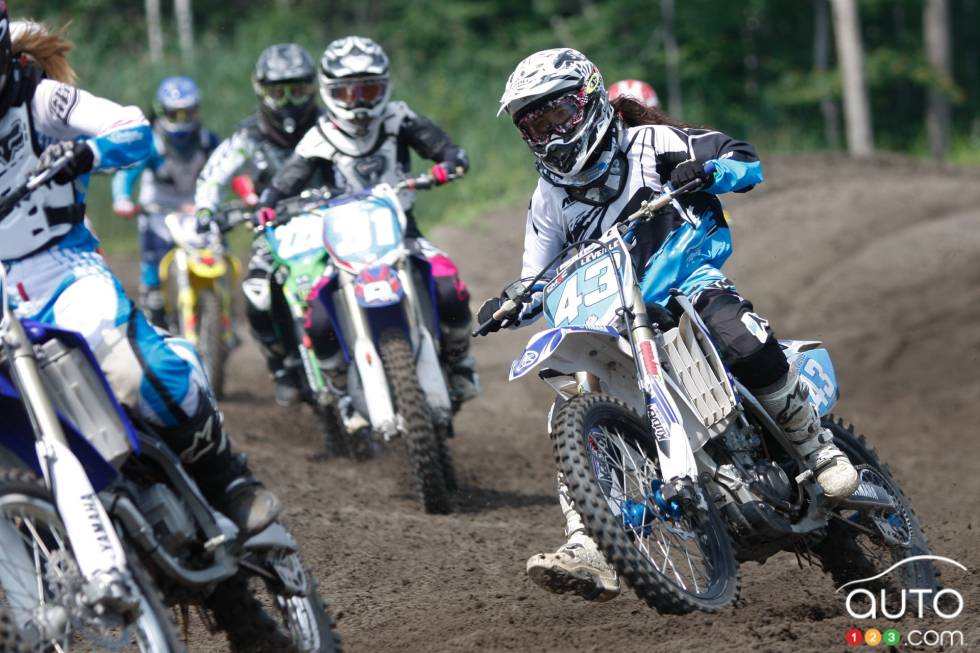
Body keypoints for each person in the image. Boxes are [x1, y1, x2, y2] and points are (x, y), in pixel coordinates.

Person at [484, 48, 859, 601]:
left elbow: (743, 158)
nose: (551, 133)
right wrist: (515, 299)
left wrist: (709, 169)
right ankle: (589, 540)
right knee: (572, 400)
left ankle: (816, 447)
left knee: (740, 335)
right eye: (535, 125)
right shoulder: (549, 199)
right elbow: (535, 278)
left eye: (558, 115)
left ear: (588, 99)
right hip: (614, 320)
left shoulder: (649, 144)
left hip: (685, 283)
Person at [0, 10, 278, 535]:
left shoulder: (40, 99)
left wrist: (87, 152)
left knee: (135, 371)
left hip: (58, 266)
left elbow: (132, 129)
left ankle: (226, 480)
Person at [260, 36, 478, 406]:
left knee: (448, 286)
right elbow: (284, 183)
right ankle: (339, 385)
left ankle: (459, 365)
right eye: (347, 94)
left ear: (385, 87)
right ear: (329, 92)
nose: (358, 102)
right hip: (341, 242)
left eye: (369, 90)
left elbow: (443, 148)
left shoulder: (398, 118)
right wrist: (268, 205)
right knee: (316, 314)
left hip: (402, 232)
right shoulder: (320, 137)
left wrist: (450, 162)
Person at [195, 43, 321, 406]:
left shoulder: (328, 124)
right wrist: (206, 211)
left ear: (312, 87)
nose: (287, 101)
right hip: (275, 227)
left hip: (331, 220)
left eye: (296, 90)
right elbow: (212, 176)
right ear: (261, 90)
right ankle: (281, 365)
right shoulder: (249, 135)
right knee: (256, 295)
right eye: (277, 91)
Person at [111, 76, 220, 328]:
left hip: (197, 206)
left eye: (188, 113)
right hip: (159, 208)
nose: (182, 121)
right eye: (175, 114)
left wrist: (244, 191)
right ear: (161, 113)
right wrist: (122, 199)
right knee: (154, 256)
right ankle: (153, 306)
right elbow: (126, 174)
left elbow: (227, 169)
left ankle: (223, 311)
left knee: (217, 247)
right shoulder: (151, 143)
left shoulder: (207, 141)